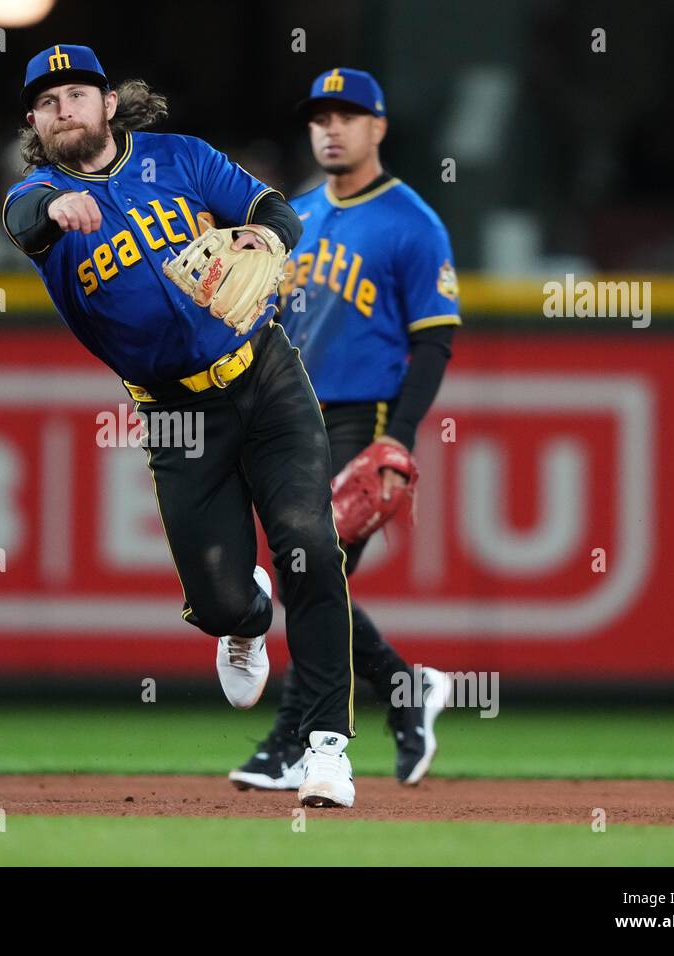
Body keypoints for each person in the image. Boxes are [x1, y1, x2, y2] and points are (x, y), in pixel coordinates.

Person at [2, 45, 356, 807]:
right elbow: (25, 219)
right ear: (35, 122)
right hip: (172, 413)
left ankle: (326, 746)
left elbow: (273, 209)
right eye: (48, 101)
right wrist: (52, 210)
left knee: (310, 544)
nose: (65, 108)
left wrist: (267, 238)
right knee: (222, 599)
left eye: (77, 93)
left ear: (107, 103)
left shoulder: (182, 158)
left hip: (265, 372)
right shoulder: (34, 193)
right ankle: (248, 618)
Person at [229, 68, 459, 791]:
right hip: (295, 416)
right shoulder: (293, 216)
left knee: (309, 572)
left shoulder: (413, 221)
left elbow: (434, 338)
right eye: (321, 117)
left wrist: (403, 436)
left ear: (378, 128)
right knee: (312, 576)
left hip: (369, 412)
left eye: (349, 116)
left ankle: (291, 740)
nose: (332, 128)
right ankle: (404, 689)